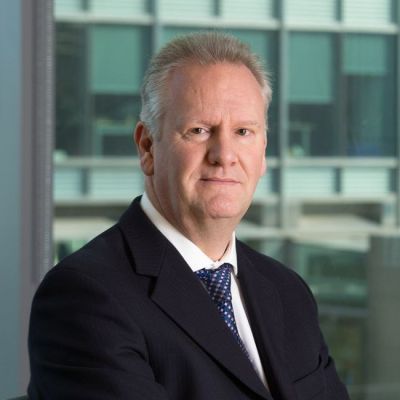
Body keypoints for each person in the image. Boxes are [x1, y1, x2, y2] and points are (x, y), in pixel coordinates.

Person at [28, 32, 350, 400]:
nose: (224, 154)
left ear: (263, 154)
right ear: (147, 147)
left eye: (243, 131)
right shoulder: (86, 297)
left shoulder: (287, 290)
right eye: (199, 131)